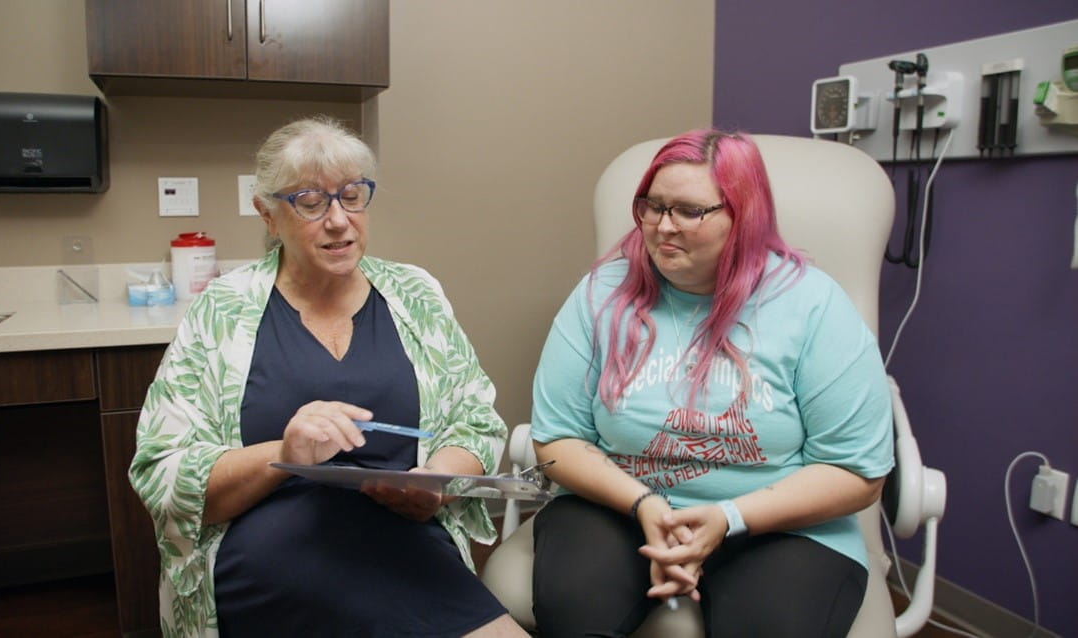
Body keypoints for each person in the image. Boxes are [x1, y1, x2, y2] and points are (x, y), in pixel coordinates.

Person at [129, 115, 526, 637]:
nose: (339, 220)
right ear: (268, 215)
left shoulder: (416, 294)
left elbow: (475, 423)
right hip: (271, 550)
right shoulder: (224, 310)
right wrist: (284, 455)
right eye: (311, 203)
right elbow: (162, 469)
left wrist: (435, 486)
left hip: (405, 545)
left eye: (353, 196)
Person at [529, 129, 895, 637]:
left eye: (688, 210)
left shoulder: (812, 304)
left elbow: (858, 471)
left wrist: (727, 517)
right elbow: (555, 438)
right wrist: (646, 504)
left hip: (778, 524)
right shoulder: (602, 293)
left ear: (744, 215)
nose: (661, 227)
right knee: (574, 610)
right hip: (620, 506)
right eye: (651, 206)